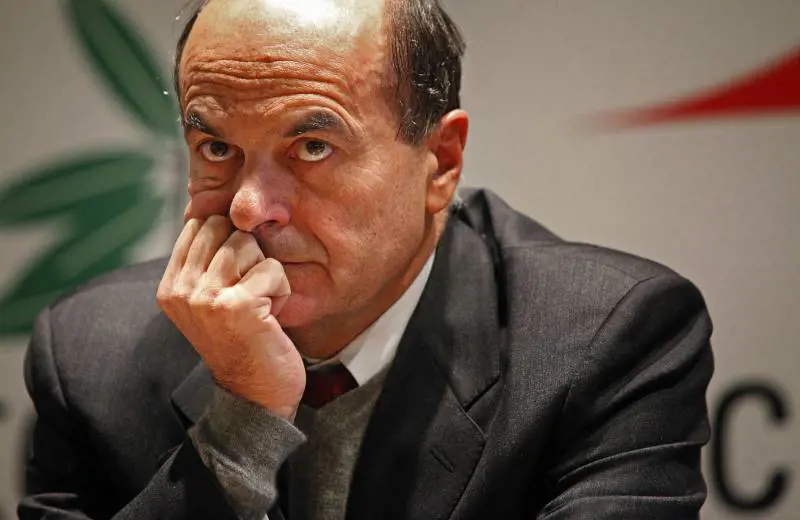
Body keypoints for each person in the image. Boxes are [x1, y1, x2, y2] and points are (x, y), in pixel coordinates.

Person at [18, 0, 714, 519]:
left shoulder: (604, 341)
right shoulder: (89, 356)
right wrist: (240, 425)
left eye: (312, 148)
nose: (249, 209)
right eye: (217, 148)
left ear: (441, 161)